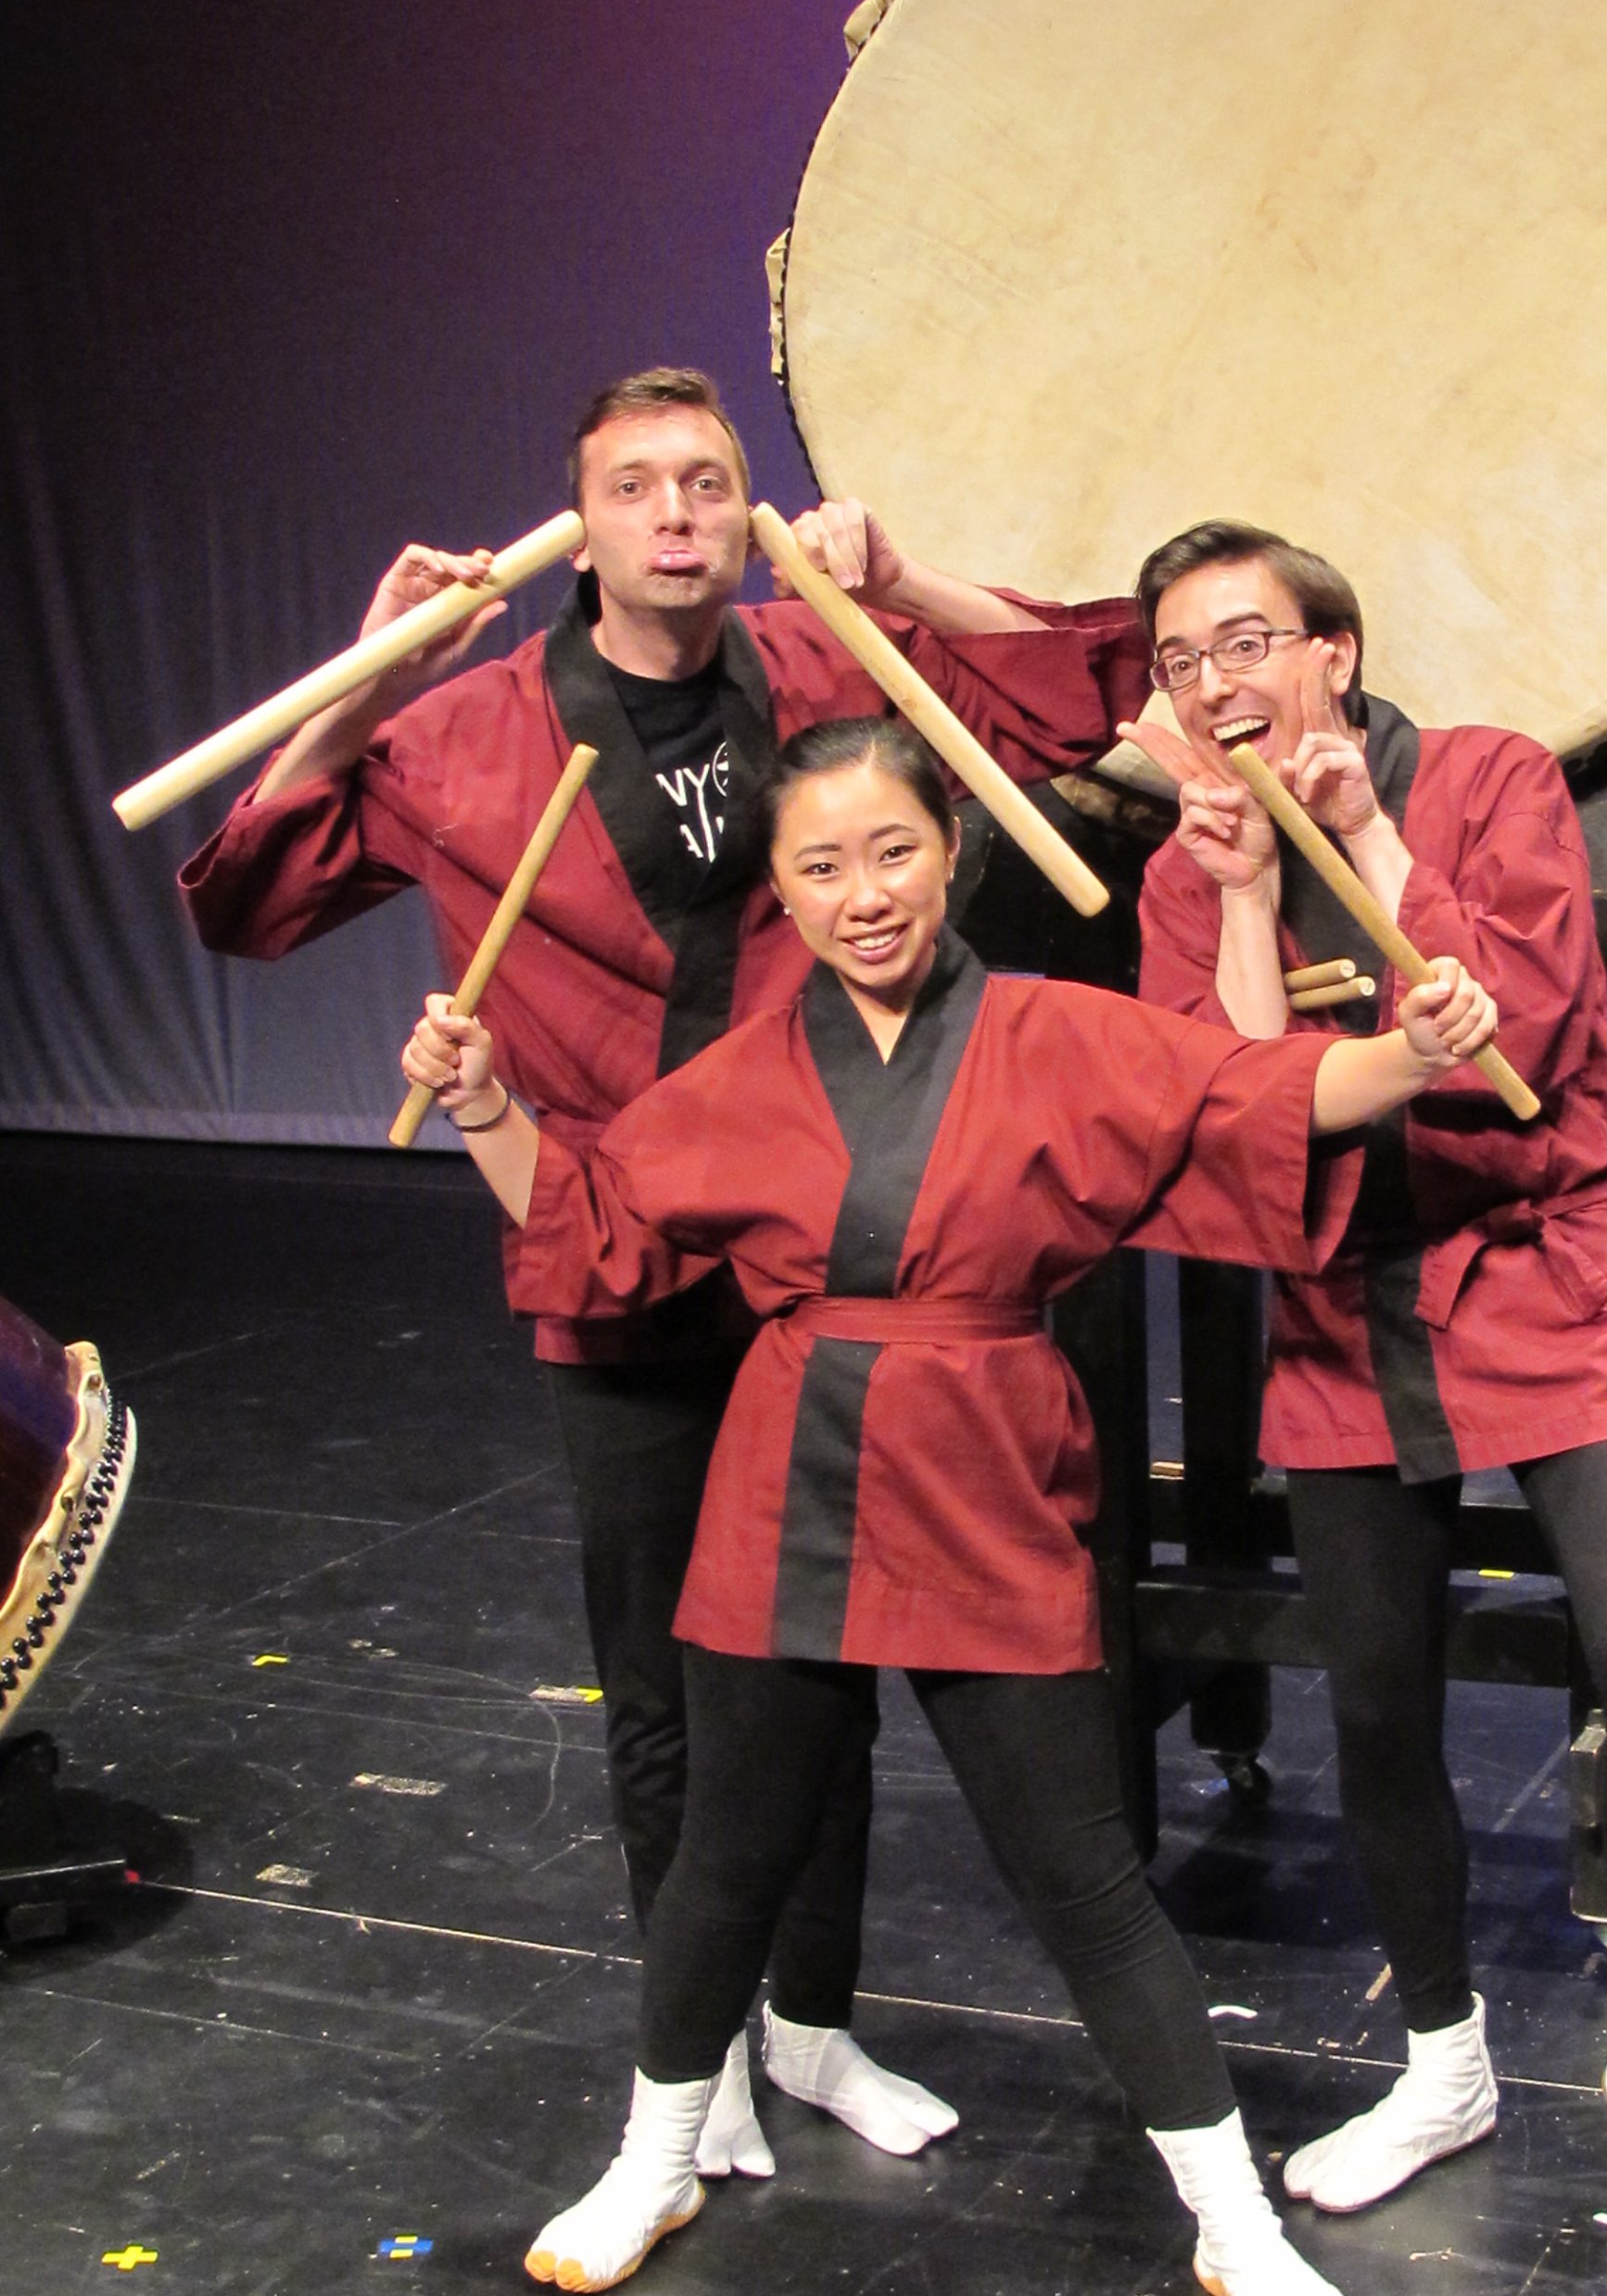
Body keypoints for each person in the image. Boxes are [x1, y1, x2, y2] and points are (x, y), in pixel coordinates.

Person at [398, 713, 1501, 2296]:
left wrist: (1412, 1055)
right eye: (819, 867)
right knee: (724, 1858)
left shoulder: (1061, 1031)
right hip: (791, 1475)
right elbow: (602, 1223)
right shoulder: (754, 1068)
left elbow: (1257, 1090)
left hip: (988, 1463)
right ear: (777, 891)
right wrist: (489, 1098)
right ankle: (653, 2161)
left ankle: (1237, 2225)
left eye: (891, 852)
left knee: (1087, 1879)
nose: (862, 894)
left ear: (953, 850)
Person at [183, 367, 1145, 2179]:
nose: (681, 512)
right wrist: (366, 673)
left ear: (746, 507)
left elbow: (1086, 690)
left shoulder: (826, 664)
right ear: (586, 522)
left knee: (825, 1655)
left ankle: (815, 2026)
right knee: (661, 1678)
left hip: (819, 1252)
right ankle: (685, 2061)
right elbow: (245, 894)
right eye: (637, 485)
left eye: (709, 479)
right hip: (610, 1242)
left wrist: (909, 580)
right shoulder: (467, 729)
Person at [1124, 521, 1607, 2296]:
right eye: (1179, 661)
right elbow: (1241, 1128)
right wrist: (1250, 896)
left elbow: (1545, 1028)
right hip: (1346, 1305)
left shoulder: (1483, 781)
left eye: (1245, 639)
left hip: (1549, 1272)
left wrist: (1378, 849)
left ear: (1331, 648)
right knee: (1380, 1702)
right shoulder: (1188, 878)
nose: (1215, 682)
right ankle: (1443, 2054)